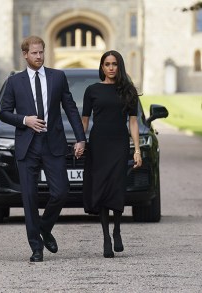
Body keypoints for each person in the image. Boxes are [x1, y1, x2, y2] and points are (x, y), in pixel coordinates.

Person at [0, 36, 86, 262]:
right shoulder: (15, 82)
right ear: (25, 55)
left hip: (53, 143)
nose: (38, 56)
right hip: (27, 146)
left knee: (61, 191)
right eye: (34, 53)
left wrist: (80, 138)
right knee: (29, 197)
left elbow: (71, 108)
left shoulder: (57, 77)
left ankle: (45, 228)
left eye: (41, 52)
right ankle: (36, 247)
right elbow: (4, 112)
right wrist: (25, 120)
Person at [81, 50, 142, 258]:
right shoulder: (92, 90)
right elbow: (85, 120)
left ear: (119, 66)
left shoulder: (128, 91)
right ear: (102, 67)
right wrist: (81, 142)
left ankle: (117, 230)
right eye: (107, 64)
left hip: (119, 143)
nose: (111, 68)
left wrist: (137, 150)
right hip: (99, 144)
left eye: (114, 64)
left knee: (116, 187)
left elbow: (133, 122)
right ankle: (106, 237)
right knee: (102, 188)